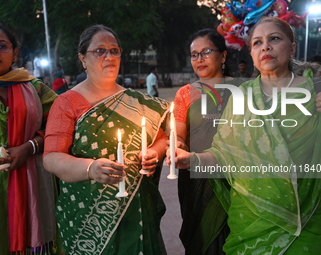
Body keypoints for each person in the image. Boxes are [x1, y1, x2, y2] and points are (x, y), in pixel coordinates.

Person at [168, 17, 321, 254]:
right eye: (257, 42)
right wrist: (192, 159)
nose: (266, 47)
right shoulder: (242, 95)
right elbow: (224, 154)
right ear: (251, 53)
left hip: (304, 224)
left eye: (274, 39)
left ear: (292, 48)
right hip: (249, 223)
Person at [43, 24, 170, 254]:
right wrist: (90, 168)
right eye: (99, 51)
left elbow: (162, 140)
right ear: (83, 59)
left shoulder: (139, 102)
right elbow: (51, 157)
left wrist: (155, 153)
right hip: (87, 219)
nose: (109, 56)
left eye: (114, 50)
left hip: (136, 211)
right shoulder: (68, 103)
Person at [173, 28, 242, 255]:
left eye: (206, 52)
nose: (199, 59)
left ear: (223, 56)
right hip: (196, 177)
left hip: (236, 177)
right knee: (201, 238)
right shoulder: (185, 93)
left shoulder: (245, 90)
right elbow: (179, 135)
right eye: (194, 54)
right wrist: (178, 145)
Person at [0, 24, 60, 254]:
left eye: (2, 46)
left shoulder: (34, 88)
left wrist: (29, 146)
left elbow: (61, 125)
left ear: (15, 53)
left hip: (32, 183)